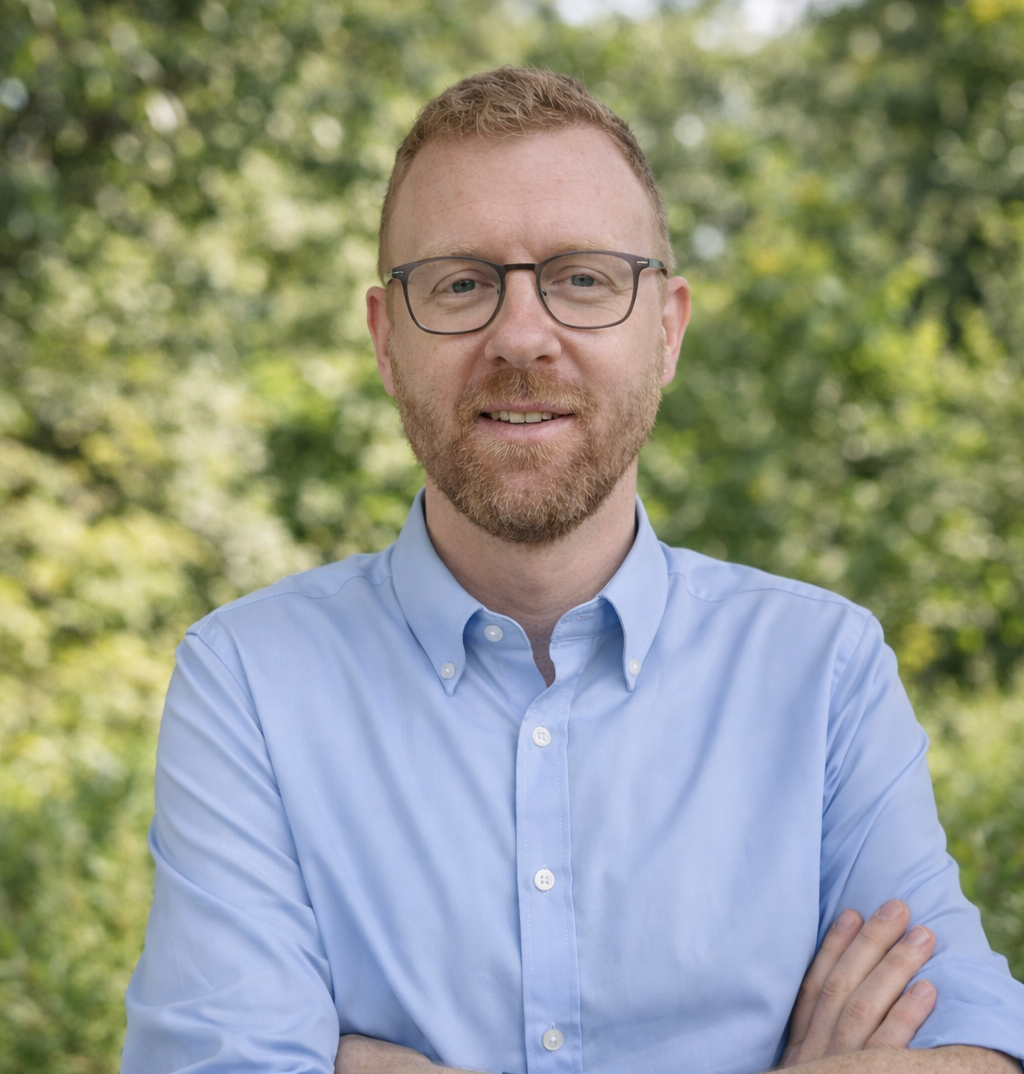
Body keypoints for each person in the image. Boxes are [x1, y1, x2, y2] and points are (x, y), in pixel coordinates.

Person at [122, 68, 1024, 1074]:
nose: (519, 336)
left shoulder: (823, 671)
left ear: (667, 329)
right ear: (385, 340)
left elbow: (974, 1052)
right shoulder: (247, 679)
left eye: (583, 279)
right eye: (460, 283)